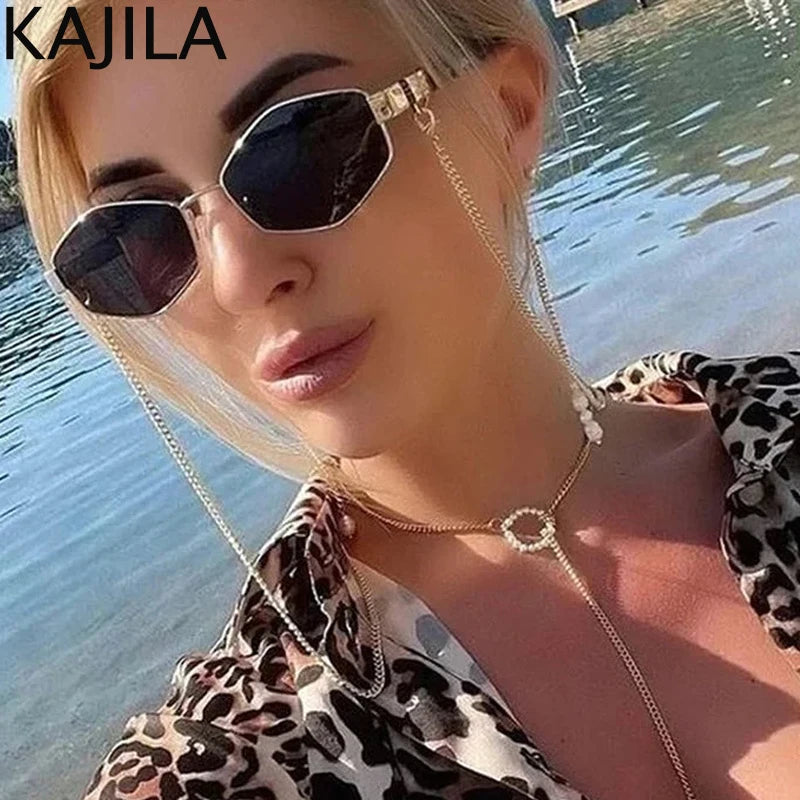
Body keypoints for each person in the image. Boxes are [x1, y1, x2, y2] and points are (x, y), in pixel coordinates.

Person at [12, 0, 800, 798]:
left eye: (297, 148)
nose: (238, 279)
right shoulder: (236, 755)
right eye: (136, 235)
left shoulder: (781, 433)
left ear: (508, 110)